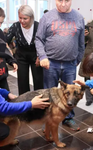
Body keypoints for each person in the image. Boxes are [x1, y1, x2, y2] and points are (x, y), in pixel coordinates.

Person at [35, 0, 85, 131]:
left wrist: (77, 59)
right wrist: (43, 56)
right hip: (50, 63)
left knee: (72, 94)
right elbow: (38, 39)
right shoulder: (47, 17)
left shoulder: (79, 17)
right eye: (59, 0)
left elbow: (81, 43)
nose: (63, 4)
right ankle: (48, 120)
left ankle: (68, 118)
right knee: (49, 94)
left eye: (66, 1)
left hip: (70, 64)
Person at [6, 5, 43, 95]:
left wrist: (40, 56)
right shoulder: (16, 26)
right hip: (21, 57)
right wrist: (8, 50)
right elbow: (4, 40)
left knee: (38, 82)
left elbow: (44, 42)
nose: (22, 21)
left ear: (31, 17)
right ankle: (24, 105)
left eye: (25, 18)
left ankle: (40, 104)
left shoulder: (38, 26)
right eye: (20, 18)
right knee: (22, 82)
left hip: (36, 56)